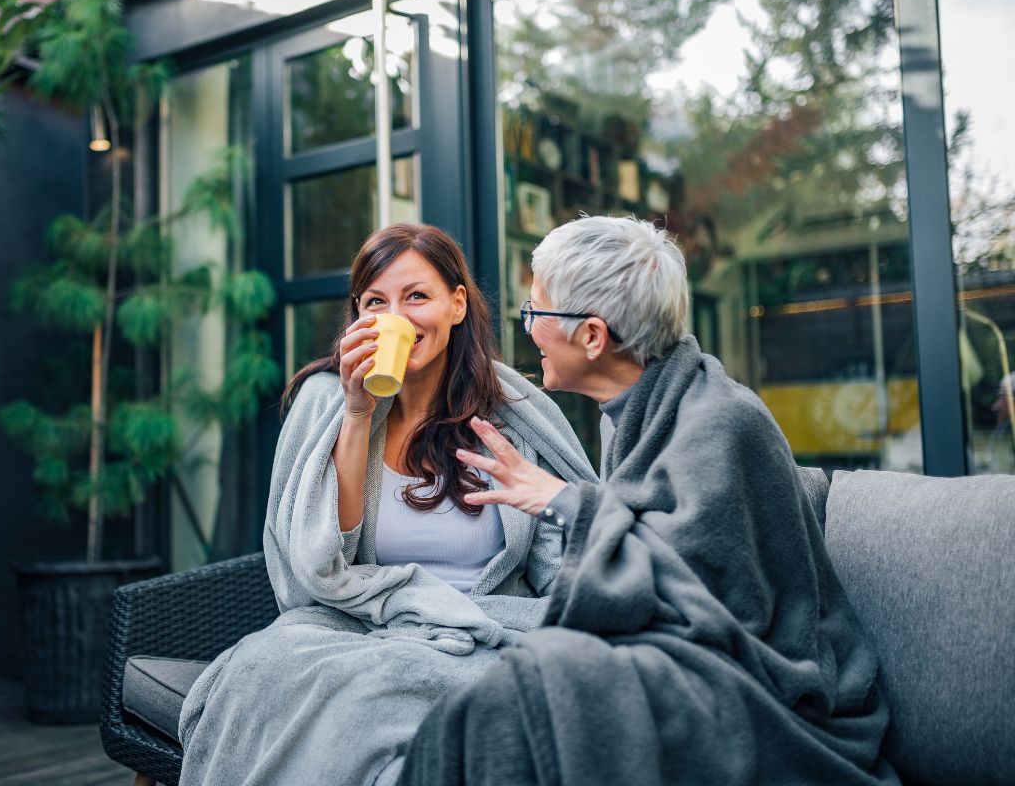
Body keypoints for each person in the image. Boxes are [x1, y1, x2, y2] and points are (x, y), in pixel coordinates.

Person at [399, 215, 897, 785]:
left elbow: (717, 598)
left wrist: (564, 501)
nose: (528, 328)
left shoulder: (722, 421)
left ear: (591, 336)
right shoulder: (635, 413)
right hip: (685, 656)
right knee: (494, 700)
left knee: (525, 691)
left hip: (766, 683)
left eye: (535, 312)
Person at [174, 223, 599, 786]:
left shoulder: (515, 413)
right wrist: (357, 412)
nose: (395, 316)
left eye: (416, 296)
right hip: (355, 629)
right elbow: (321, 565)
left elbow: (566, 555)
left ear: (456, 303)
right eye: (375, 302)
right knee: (259, 671)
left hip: (484, 632)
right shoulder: (326, 403)